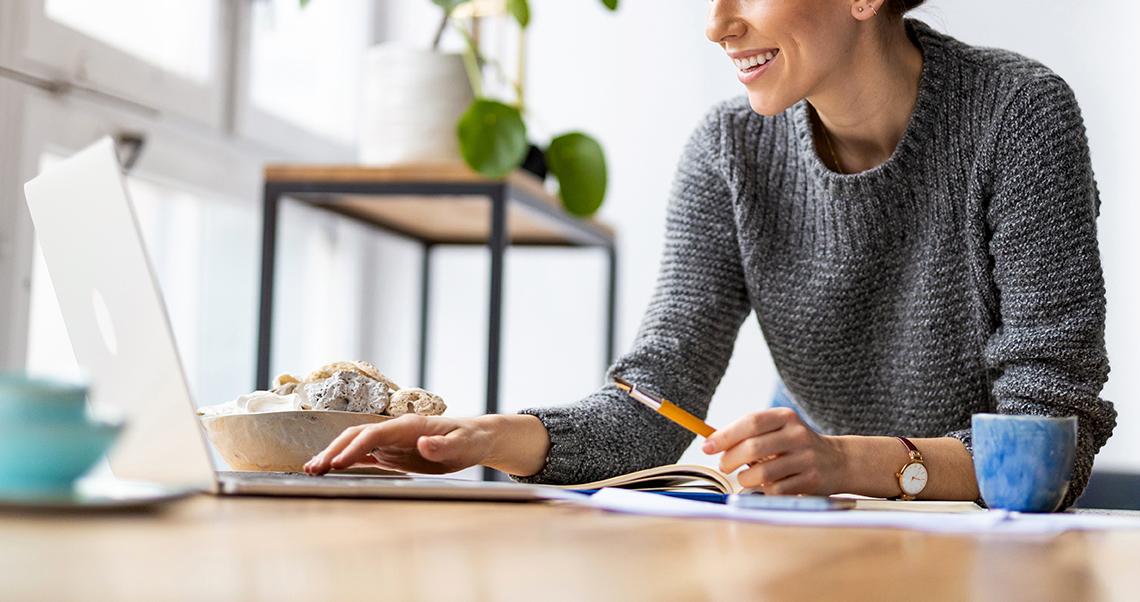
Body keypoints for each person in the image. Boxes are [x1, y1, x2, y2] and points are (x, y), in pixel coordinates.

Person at [306, 0, 1116, 508]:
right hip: (836, 530)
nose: (717, 22)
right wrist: (485, 440)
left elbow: (1049, 442)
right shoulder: (729, 151)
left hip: (999, 551)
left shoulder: (1018, 115)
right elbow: (650, 405)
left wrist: (841, 462)